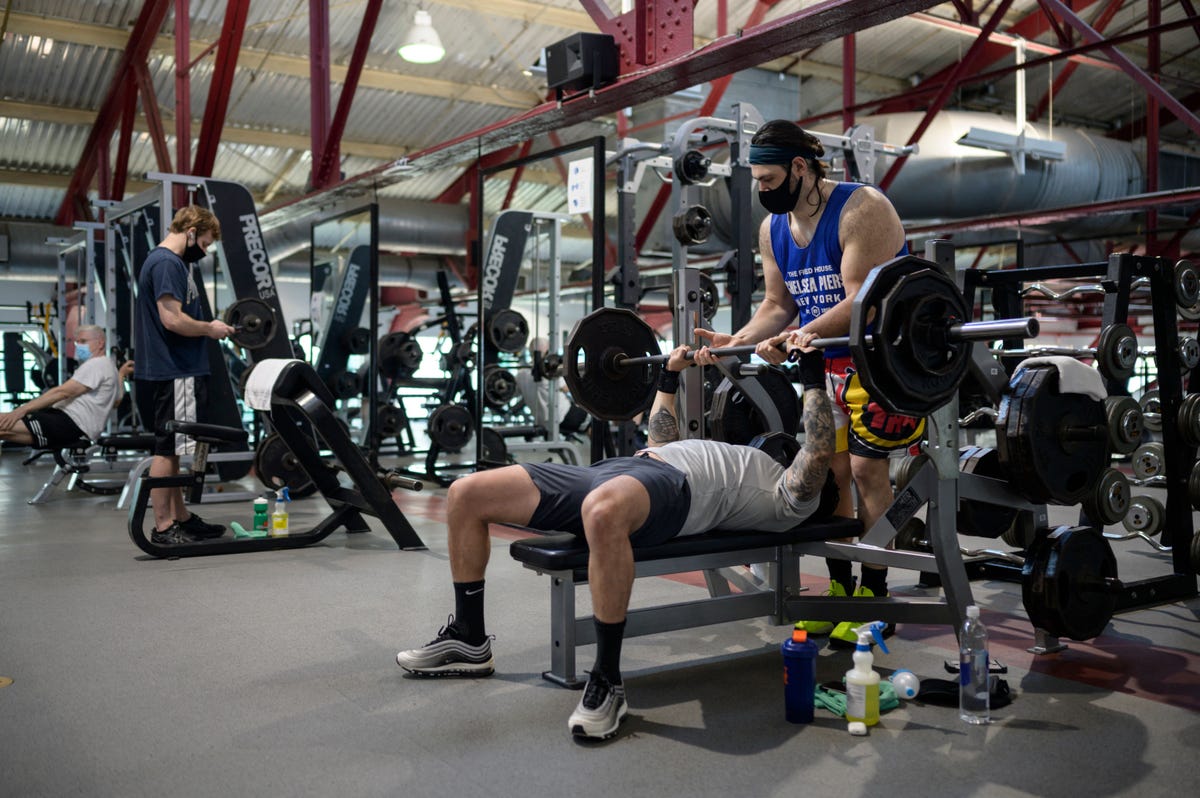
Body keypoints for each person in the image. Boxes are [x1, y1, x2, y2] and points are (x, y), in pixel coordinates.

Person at [396, 337, 836, 740]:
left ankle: (608, 680)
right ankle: (470, 639)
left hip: (674, 493)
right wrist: (670, 374)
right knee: (465, 493)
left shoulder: (792, 500)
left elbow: (817, 449)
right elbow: (662, 437)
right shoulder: (740, 454)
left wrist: (812, 370)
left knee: (602, 512)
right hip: (624, 468)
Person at [693, 119, 924, 647]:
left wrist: (802, 334)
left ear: (801, 167)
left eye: (769, 178)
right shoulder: (771, 231)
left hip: (882, 361)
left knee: (867, 471)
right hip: (825, 365)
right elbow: (777, 306)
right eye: (757, 179)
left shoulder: (863, 209)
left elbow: (861, 300)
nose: (761, 189)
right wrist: (734, 342)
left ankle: (876, 593)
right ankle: (841, 589)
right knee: (831, 473)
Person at [133, 205, 235, 546]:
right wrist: (210, 328)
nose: (204, 251)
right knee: (167, 450)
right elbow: (172, 320)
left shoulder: (170, 263)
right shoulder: (166, 263)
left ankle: (181, 518)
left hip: (176, 368)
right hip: (176, 368)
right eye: (204, 243)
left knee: (174, 450)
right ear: (190, 230)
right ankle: (164, 527)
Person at [0, 325, 131, 449]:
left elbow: (62, 392)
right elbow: (116, 401)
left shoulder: (96, 364)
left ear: (100, 343)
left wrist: (21, 410)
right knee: (3, 429)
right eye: (77, 342)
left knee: (4, 425)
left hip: (68, 423)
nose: (79, 346)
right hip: (68, 422)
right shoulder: (109, 366)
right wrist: (121, 375)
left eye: (83, 341)